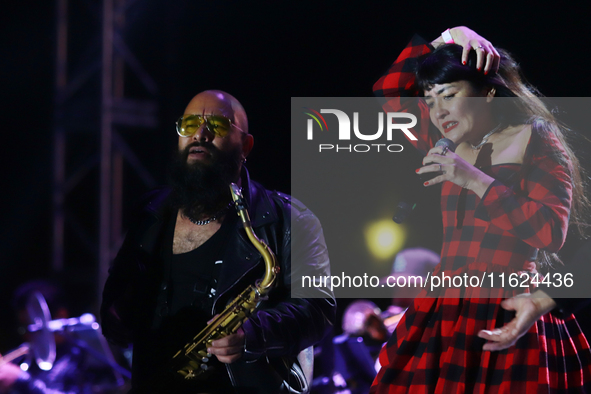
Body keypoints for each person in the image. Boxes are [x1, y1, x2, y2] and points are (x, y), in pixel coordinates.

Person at [370, 26, 591, 392]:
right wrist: (446, 37)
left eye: (448, 95)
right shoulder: (444, 140)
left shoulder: (534, 136)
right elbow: (388, 91)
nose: (437, 111)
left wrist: (476, 180)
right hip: (442, 306)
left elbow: (550, 232)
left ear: (488, 92)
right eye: (429, 101)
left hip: (504, 302)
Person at [100, 90, 336, 393]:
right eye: (188, 124)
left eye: (219, 125)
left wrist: (253, 334)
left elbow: (317, 309)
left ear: (245, 146)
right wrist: (116, 316)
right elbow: (116, 301)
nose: (201, 134)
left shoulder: (290, 219)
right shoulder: (150, 213)